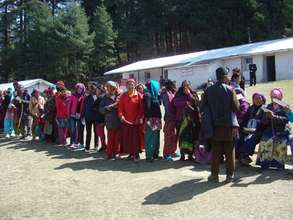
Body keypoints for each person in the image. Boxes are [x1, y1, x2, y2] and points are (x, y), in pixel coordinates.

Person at [202, 67, 240, 183]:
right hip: (228, 126)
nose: (229, 77)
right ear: (224, 76)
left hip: (214, 126)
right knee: (229, 151)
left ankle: (214, 175)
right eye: (227, 76)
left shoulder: (208, 90)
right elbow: (236, 108)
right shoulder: (230, 90)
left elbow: (203, 106)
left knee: (216, 151)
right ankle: (229, 176)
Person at [256, 88, 290, 170]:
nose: (274, 99)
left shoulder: (285, 107)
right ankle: (264, 164)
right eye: (272, 97)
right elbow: (263, 121)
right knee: (265, 140)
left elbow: (286, 120)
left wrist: (274, 117)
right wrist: (266, 117)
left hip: (281, 130)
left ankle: (279, 165)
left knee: (280, 141)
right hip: (269, 129)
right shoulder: (268, 106)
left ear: (280, 97)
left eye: (276, 97)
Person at [237, 93, 266, 165]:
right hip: (248, 129)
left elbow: (265, 123)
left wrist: (255, 129)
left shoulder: (265, 109)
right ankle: (241, 156)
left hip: (260, 130)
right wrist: (244, 128)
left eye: (259, 98)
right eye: (255, 98)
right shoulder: (250, 108)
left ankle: (244, 156)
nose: (257, 100)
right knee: (240, 137)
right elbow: (245, 120)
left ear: (263, 100)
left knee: (253, 138)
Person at [118, 79, 144, 162]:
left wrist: (139, 117)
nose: (130, 85)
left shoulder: (139, 95)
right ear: (126, 86)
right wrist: (121, 116)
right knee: (128, 138)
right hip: (126, 121)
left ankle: (136, 154)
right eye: (129, 84)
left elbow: (141, 109)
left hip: (136, 122)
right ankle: (130, 153)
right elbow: (120, 108)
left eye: (132, 84)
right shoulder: (123, 96)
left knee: (136, 139)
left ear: (134, 85)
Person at [173, 83, 200, 161]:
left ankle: (190, 155)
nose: (185, 88)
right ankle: (182, 154)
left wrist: (188, 94)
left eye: (187, 86)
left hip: (190, 120)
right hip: (180, 120)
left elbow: (195, 102)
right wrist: (185, 103)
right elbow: (175, 103)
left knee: (190, 138)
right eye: (184, 86)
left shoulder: (193, 94)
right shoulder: (178, 95)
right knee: (181, 137)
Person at [99, 81, 122, 160]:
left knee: (117, 138)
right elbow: (100, 109)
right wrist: (107, 108)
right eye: (107, 87)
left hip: (118, 120)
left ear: (114, 88)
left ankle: (117, 153)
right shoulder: (105, 97)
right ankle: (109, 153)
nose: (108, 89)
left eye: (110, 87)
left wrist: (117, 106)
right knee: (110, 138)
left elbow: (122, 106)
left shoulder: (119, 96)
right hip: (109, 121)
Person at [143, 80, 162, 162]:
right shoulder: (147, 95)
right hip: (151, 120)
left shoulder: (154, 95)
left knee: (156, 138)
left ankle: (155, 154)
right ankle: (149, 156)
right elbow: (148, 108)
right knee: (150, 137)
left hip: (156, 119)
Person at [161, 80, 178, 161]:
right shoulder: (166, 94)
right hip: (169, 118)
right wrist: (171, 116)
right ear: (169, 85)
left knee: (174, 136)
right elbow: (167, 107)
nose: (175, 86)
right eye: (173, 85)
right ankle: (166, 154)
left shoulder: (171, 92)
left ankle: (172, 151)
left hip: (173, 118)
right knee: (168, 136)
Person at [68, 83, 86, 149]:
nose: (79, 90)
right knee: (73, 129)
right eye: (78, 88)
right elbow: (69, 105)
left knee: (79, 129)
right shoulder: (73, 95)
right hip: (72, 115)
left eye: (81, 88)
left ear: (83, 89)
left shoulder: (84, 96)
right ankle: (73, 142)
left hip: (80, 115)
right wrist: (69, 113)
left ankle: (79, 143)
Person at [82, 83, 98, 152]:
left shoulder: (97, 97)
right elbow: (84, 107)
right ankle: (87, 146)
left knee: (96, 132)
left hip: (96, 117)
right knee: (88, 132)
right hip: (88, 117)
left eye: (92, 89)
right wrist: (83, 116)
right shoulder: (86, 98)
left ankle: (96, 146)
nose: (91, 90)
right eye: (90, 89)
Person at [55, 81, 70, 146]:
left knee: (65, 128)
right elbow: (57, 106)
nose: (58, 86)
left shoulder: (68, 95)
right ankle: (62, 140)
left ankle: (64, 140)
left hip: (66, 114)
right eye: (58, 85)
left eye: (59, 85)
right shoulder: (57, 95)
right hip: (59, 114)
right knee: (60, 128)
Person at [92, 85, 107, 152]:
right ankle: (105, 145)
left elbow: (93, 107)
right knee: (102, 133)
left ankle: (104, 146)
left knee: (101, 133)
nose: (96, 91)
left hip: (100, 118)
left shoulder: (100, 97)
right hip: (104, 117)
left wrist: (97, 109)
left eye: (97, 89)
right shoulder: (105, 96)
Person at [136, 83, 146, 152]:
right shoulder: (136, 96)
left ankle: (143, 146)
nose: (140, 89)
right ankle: (140, 146)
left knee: (143, 132)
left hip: (143, 116)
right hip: (137, 115)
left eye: (141, 88)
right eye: (138, 88)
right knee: (138, 132)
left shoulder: (144, 96)